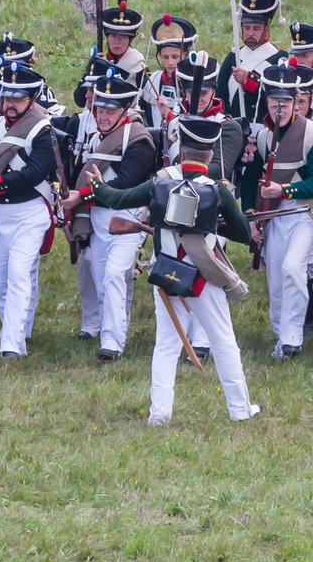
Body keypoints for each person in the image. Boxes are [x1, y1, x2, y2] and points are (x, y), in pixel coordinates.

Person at [81, 150, 260, 424]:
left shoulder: (159, 183)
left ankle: (159, 413)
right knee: (223, 341)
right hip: (203, 276)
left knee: (166, 345)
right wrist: (212, 221)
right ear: (210, 155)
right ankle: (239, 410)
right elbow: (243, 234)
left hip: (167, 273)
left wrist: (97, 185)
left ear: (183, 151)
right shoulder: (216, 190)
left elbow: (117, 198)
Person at [0, 61, 62, 357]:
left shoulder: (42, 128)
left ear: (32, 99)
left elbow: (36, 172)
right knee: (3, 280)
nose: (10, 104)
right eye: (6, 97)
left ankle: (11, 345)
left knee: (19, 274)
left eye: (17, 98)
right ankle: (14, 333)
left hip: (30, 211)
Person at [245, 63, 313, 358]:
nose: (278, 110)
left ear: (296, 103)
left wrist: (284, 190)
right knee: (276, 281)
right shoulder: (262, 138)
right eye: (273, 104)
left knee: (293, 268)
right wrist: (251, 216)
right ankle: (282, 337)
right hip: (272, 216)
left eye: (284, 103)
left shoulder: (312, 134)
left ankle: (294, 334)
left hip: (302, 214)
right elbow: (249, 181)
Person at [71, 73, 159, 359]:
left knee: (113, 276)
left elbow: (123, 185)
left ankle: (112, 343)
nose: (103, 116)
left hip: (128, 221)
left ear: (125, 109)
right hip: (98, 220)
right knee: (103, 280)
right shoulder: (94, 137)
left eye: (110, 111)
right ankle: (113, 330)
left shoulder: (139, 140)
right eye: (99, 109)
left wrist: (81, 196)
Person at [226, 0, 290, 121]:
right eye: (246, 28)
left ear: (267, 30)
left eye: (256, 28)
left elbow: (280, 95)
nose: (250, 33)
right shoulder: (233, 56)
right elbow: (221, 95)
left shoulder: (279, 58)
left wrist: (249, 81)